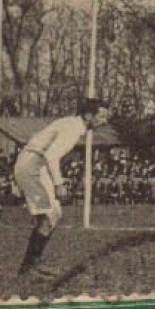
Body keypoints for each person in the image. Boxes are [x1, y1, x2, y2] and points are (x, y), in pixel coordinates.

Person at [16, 97, 111, 278]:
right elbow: (51, 156)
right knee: (51, 215)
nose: (104, 121)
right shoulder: (73, 129)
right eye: (101, 116)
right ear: (89, 115)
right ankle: (29, 268)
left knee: (53, 214)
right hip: (32, 165)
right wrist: (59, 184)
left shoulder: (72, 124)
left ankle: (33, 264)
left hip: (33, 163)